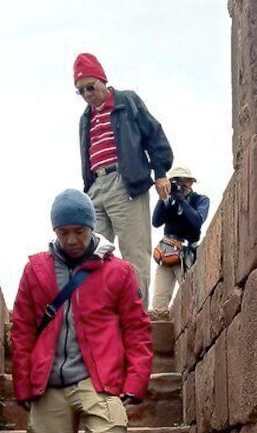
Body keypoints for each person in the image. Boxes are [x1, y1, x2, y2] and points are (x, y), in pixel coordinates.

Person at [10, 189, 153, 433]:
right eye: (64, 232)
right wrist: (23, 384)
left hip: (99, 378)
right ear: (55, 231)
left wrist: (135, 381)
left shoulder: (118, 271)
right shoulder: (37, 270)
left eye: (79, 231)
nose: (72, 240)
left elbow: (137, 329)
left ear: (91, 228)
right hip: (47, 384)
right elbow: (22, 327)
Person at [74, 52, 173, 309]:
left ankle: (135, 318)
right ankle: (97, 315)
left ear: (102, 80)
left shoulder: (127, 101)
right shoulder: (85, 119)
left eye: (90, 87)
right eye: (80, 91)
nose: (86, 94)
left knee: (134, 255)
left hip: (125, 181)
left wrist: (160, 172)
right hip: (95, 186)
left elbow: (154, 135)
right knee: (90, 255)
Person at [151, 165, 210, 312]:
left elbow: (196, 221)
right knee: (159, 301)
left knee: (190, 298)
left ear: (190, 182)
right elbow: (156, 222)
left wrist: (182, 201)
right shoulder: (170, 202)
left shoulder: (200, 200)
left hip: (185, 253)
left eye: (181, 181)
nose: (178, 185)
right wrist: (164, 198)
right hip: (166, 252)